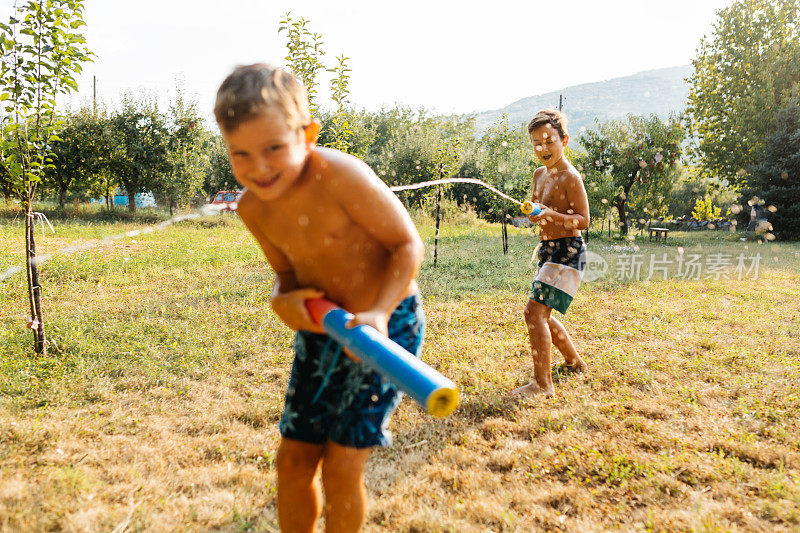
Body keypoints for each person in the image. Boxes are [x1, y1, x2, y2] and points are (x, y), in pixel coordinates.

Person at [214, 64, 426, 533]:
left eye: (274, 148)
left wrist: (379, 313)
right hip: (322, 329)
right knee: (293, 461)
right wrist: (282, 301)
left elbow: (407, 244)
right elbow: (285, 277)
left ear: (306, 134)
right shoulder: (252, 208)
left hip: (384, 327)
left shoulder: (341, 176)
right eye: (241, 154)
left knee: (341, 466)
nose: (260, 167)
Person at [511, 109, 590, 398]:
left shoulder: (571, 177)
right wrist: (533, 213)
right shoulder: (539, 174)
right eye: (535, 143)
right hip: (548, 251)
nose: (542, 148)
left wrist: (552, 214)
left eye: (549, 141)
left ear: (564, 140)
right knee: (541, 313)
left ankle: (542, 385)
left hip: (568, 251)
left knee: (534, 313)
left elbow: (583, 220)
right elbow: (537, 208)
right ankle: (574, 361)